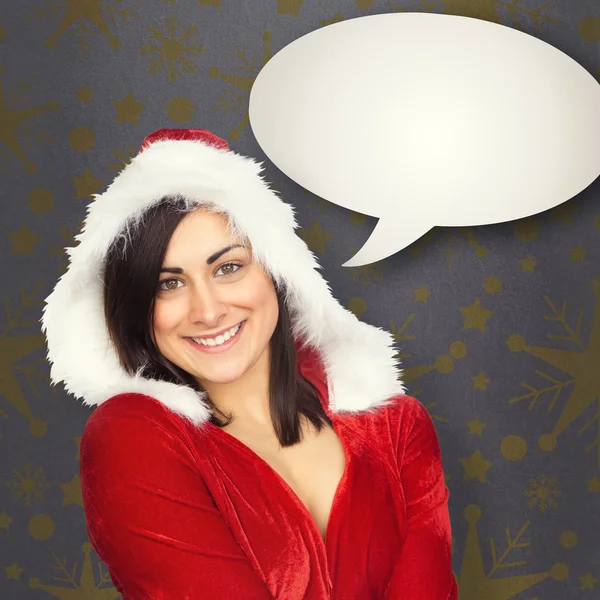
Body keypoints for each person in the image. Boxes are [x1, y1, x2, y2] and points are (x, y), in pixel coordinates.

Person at [40, 128, 458, 599]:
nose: (209, 310)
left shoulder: (396, 427)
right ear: (138, 307)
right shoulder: (133, 434)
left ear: (278, 274)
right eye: (169, 284)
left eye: (228, 268)